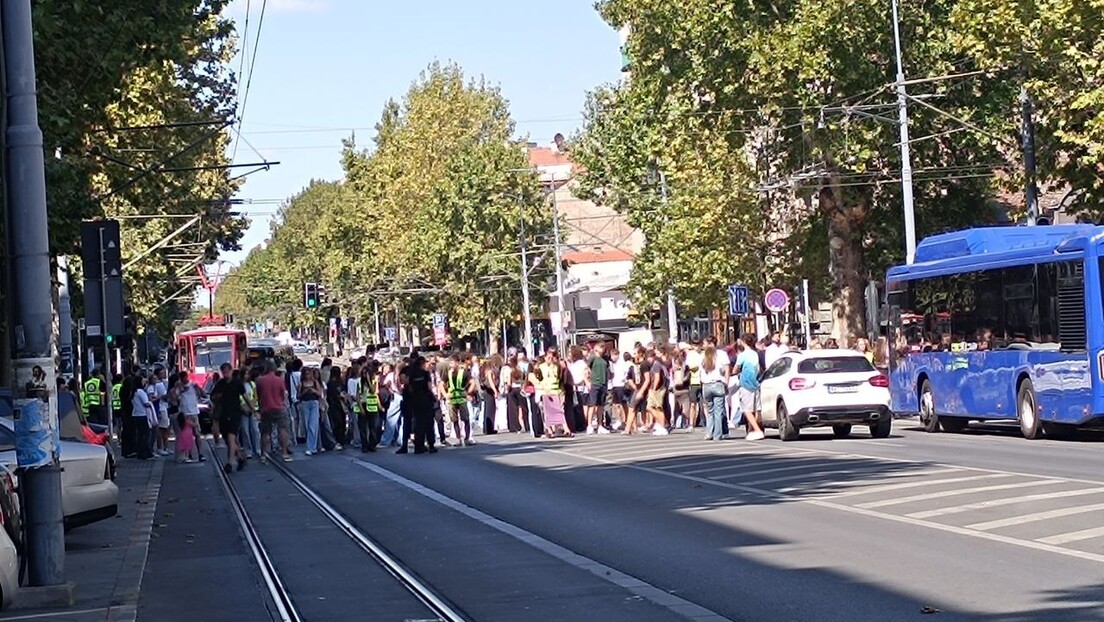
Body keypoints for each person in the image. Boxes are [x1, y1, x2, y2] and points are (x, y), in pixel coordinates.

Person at [210, 364, 247, 472]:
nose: (225, 374)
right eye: (223, 372)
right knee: (228, 439)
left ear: (231, 371)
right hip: (223, 414)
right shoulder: (220, 384)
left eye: (227, 371)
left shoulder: (237, 383)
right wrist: (217, 397)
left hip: (235, 413)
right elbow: (212, 397)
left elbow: (245, 397)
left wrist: (253, 410)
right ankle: (240, 457)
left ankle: (230, 462)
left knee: (231, 437)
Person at [530, 348, 572, 438]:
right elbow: (539, 380)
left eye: (551, 357)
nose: (550, 359)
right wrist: (544, 390)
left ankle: (566, 429)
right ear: (545, 358)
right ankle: (549, 430)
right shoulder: (541, 367)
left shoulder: (556, 367)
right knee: (547, 412)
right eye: (548, 357)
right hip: (546, 391)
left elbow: (559, 379)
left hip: (556, 391)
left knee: (559, 411)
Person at [255, 361, 292, 463]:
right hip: (278, 407)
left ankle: (263, 454)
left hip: (265, 408)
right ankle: (284, 452)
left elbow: (258, 395)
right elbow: (283, 395)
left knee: (265, 432)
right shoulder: (279, 380)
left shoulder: (260, 381)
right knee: (282, 429)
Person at [735, 334, 766, 441]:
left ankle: (757, 430)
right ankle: (753, 429)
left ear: (743, 342)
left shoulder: (742, 355)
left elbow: (736, 369)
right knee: (757, 409)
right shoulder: (756, 354)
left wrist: (735, 372)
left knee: (747, 410)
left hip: (746, 384)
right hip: (756, 383)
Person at [699, 342, 731, 441]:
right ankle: (717, 434)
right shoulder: (720, 357)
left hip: (706, 385)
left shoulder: (703, 359)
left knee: (710, 411)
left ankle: (709, 433)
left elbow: (700, 374)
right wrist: (726, 383)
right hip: (718, 384)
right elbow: (725, 370)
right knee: (718, 411)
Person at [444, 355, 478, 446]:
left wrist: (468, 392)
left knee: (465, 418)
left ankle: (467, 438)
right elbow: (441, 383)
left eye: (452, 363)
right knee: (454, 419)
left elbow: (472, 382)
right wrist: (445, 394)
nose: (451, 365)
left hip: (462, 398)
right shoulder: (449, 373)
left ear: (457, 363)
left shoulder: (464, 372)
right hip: (452, 399)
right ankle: (458, 438)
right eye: (450, 363)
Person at [585, 342, 611, 434]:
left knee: (600, 405)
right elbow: (586, 369)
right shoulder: (593, 357)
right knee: (592, 404)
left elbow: (608, 370)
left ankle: (600, 425)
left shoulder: (605, 359)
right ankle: (589, 425)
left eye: (603, 348)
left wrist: (609, 377)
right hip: (595, 383)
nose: (602, 349)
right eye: (601, 347)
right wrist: (587, 381)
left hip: (603, 383)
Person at [298, 367, 324, 456]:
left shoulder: (315, 382)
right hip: (305, 404)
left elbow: (320, 394)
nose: (307, 375)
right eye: (306, 373)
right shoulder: (301, 384)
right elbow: (298, 396)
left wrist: (313, 391)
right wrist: (305, 392)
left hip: (314, 403)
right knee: (307, 425)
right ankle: (310, 447)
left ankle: (312, 447)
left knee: (313, 425)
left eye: (309, 373)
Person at [357, 363, 382, 452]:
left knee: (373, 427)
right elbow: (357, 396)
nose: (364, 375)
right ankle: (364, 445)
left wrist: (368, 380)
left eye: (366, 373)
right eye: (363, 374)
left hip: (372, 406)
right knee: (363, 428)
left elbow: (373, 391)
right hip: (363, 405)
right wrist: (361, 408)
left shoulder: (374, 381)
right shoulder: (359, 382)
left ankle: (372, 444)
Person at [130, 373, 154, 460]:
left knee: (139, 435)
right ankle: (146, 453)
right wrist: (151, 404)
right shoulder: (140, 392)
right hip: (142, 415)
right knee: (146, 435)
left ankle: (140, 453)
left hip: (135, 414)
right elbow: (146, 403)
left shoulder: (133, 392)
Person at [326, 367, 347, 450]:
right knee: (339, 423)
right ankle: (339, 440)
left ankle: (340, 440)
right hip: (335, 405)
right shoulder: (338, 383)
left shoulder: (331, 383)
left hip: (337, 405)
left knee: (339, 423)